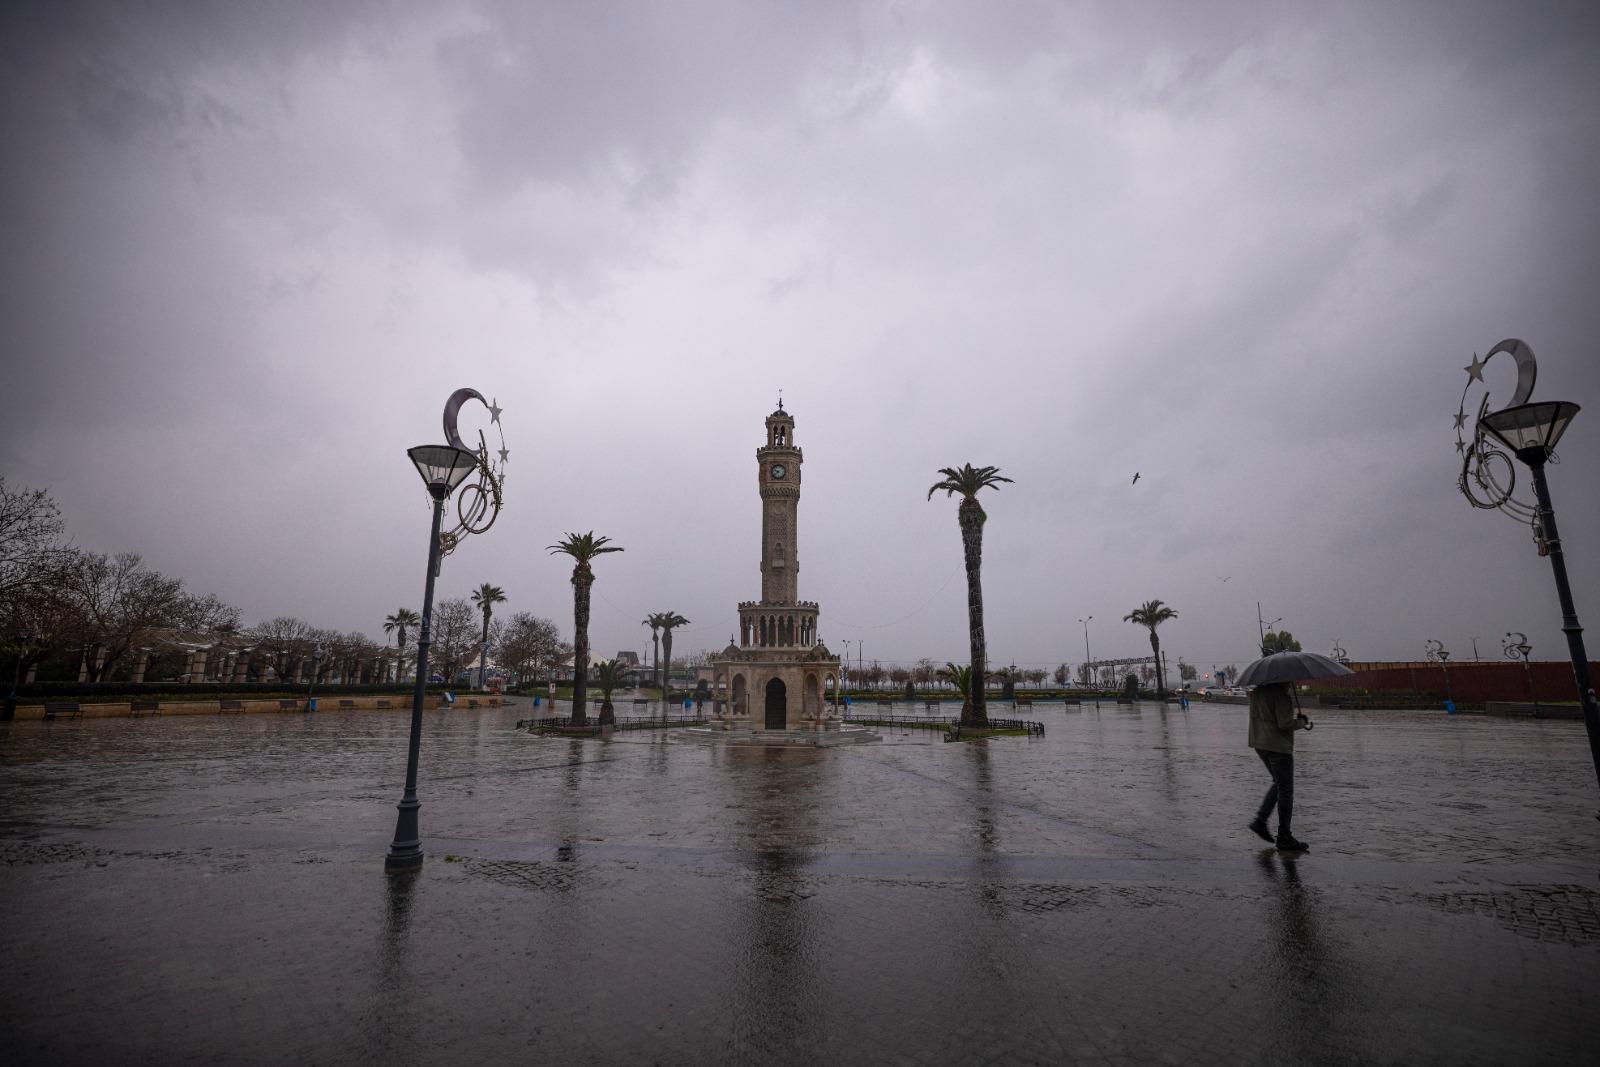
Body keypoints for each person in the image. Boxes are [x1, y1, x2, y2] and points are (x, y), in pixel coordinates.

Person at [1247, 681, 1311, 851]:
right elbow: (1284, 724)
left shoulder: (1256, 693)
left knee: (1279, 783)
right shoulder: (1281, 696)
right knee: (1286, 790)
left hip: (1259, 744)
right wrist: (1301, 722)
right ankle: (1284, 836)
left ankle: (1260, 821)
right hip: (1278, 747)